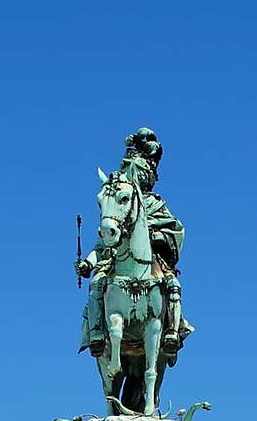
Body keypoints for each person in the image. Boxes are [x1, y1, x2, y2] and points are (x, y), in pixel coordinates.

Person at [77, 128, 190, 359]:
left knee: (172, 284)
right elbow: (101, 245)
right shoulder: (119, 206)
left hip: (152, 263)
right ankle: (97, 332)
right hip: (115, 262)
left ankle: (173, 330)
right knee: (98, 283)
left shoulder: (156, 204)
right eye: (130, 171)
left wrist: (159, 239)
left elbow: (175, 233)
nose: (134, 176)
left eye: (138, 171)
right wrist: (88, 264)